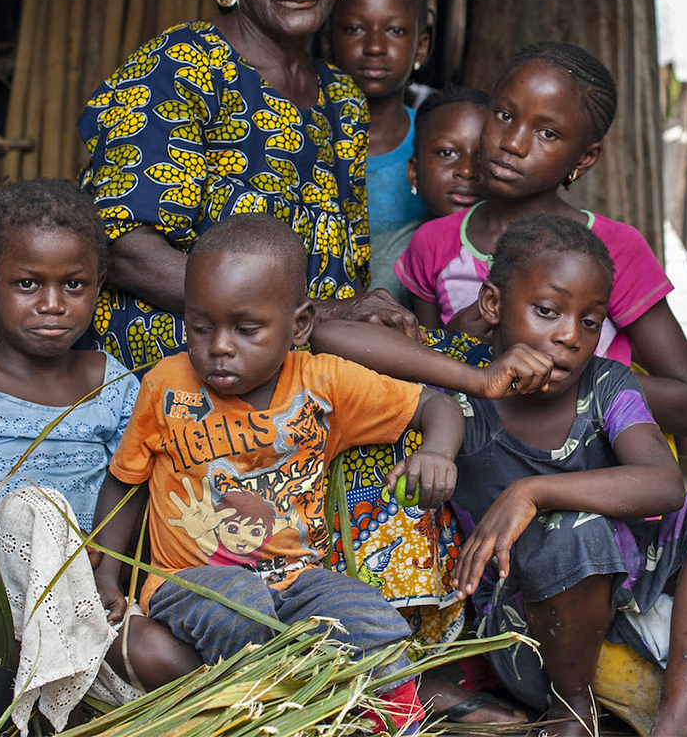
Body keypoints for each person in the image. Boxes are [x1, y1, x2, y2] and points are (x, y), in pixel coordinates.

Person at [316, 215, 687, 737]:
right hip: (526, 618)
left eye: (591, 321)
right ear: (492, 305)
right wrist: (477, 377)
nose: (569, 337)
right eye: (547, 311)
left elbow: (664, 483)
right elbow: (328, 337)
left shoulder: (605, 384)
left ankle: (676, 723)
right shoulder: (463, 382)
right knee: (575, 531)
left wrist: (531, 491)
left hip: (627, 582)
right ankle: (571, 709)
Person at [90, 214, 465, 734]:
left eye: (246, 329)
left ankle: (395, 720)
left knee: (367, 611)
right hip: (191, 581)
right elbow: (125, 481)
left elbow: (437, 407)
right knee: (239, 605)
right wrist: (104, 572)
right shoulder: (167, 385)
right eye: (200, 327)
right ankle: (266, 715)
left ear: (299, 325)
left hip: (296, 578)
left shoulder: (322, 383)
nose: (219, 345)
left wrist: (438, 454)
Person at [77, 0, 413, 375]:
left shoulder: (342, 100)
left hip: (309, 351)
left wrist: (352, 317)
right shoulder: (184, 68)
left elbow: (343, 267)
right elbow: (122, 248)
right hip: (193, 360)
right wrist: (315, 316)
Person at [0, 179, 193, 730]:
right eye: (27, 284)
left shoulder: (112, 386)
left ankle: (56, 694)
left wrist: (108, 575)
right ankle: (46, 700)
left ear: (98, 286)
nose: (52, 304)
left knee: (168, 657)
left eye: (73, 285)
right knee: (34, 509)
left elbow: (128, 487)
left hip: (83, 598)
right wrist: (25, 536)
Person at [395, 41, 687, 436]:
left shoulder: (614, 248)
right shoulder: (433, 243)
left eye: (547, 132)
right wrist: (452, 345)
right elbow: (423, 383)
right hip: (467, 466)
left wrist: (563, 375)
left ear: (584, 158)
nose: (513, 143)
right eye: (504, 115)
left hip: (591, 475)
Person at [326, 0, 432, 239]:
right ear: (328, 40)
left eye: (395, 31)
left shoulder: (437, 147)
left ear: (420, 47)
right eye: (354, 29)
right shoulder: (305, 139)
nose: (374, 47)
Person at [366, 86, 488, 306]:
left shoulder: (525, 253)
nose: (467, 171)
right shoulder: (381, 260)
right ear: (414, 172)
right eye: (447, 153)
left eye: (483, 156)